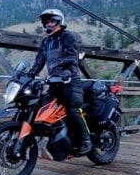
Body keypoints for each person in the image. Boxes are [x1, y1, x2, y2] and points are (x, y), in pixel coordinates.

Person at [28, 8, 92, 154]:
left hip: (70, 81)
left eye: (52, 20)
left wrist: (67, 71)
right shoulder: (46, 42)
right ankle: (57, 140)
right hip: (54, 83)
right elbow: (39, 61)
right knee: (44, 109)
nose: (49, 24)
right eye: (47, 21)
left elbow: (71, 56)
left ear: (60, 21)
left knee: (72, 109)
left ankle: (86, 140)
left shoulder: (67, 36)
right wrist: (29, 74)